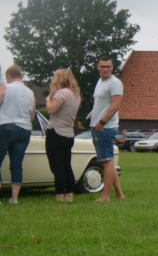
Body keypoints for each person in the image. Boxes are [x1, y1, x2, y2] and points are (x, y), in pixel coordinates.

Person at [89, 56, 125, 202]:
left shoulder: (115, 83)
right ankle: (119, 194)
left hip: (106, 127)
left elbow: (115, 106)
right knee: (107, 161)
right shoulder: (100, 81)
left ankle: (105, 196)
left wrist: (101, 122)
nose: (105, 69)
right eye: (102, 66)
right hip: (98, 125)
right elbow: (100, 104)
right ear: (98, 67)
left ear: (112, 67)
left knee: (107, 162)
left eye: (108, 67)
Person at [0, 65, 37, 204]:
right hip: (24, 130)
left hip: (6, 126)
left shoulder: (5, 87)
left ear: (9, 75)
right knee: (16, 164)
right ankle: (14, 198)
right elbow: (32, 116)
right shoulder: (30, 93)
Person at [45, 69, 82, 202]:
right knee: (66, 165)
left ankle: (59, 195)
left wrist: (48, 99)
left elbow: (51, 110)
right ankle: (69, 195)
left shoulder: (61, 93)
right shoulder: (76, 95)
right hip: (68, 134)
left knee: (57, 166)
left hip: (56, 132)